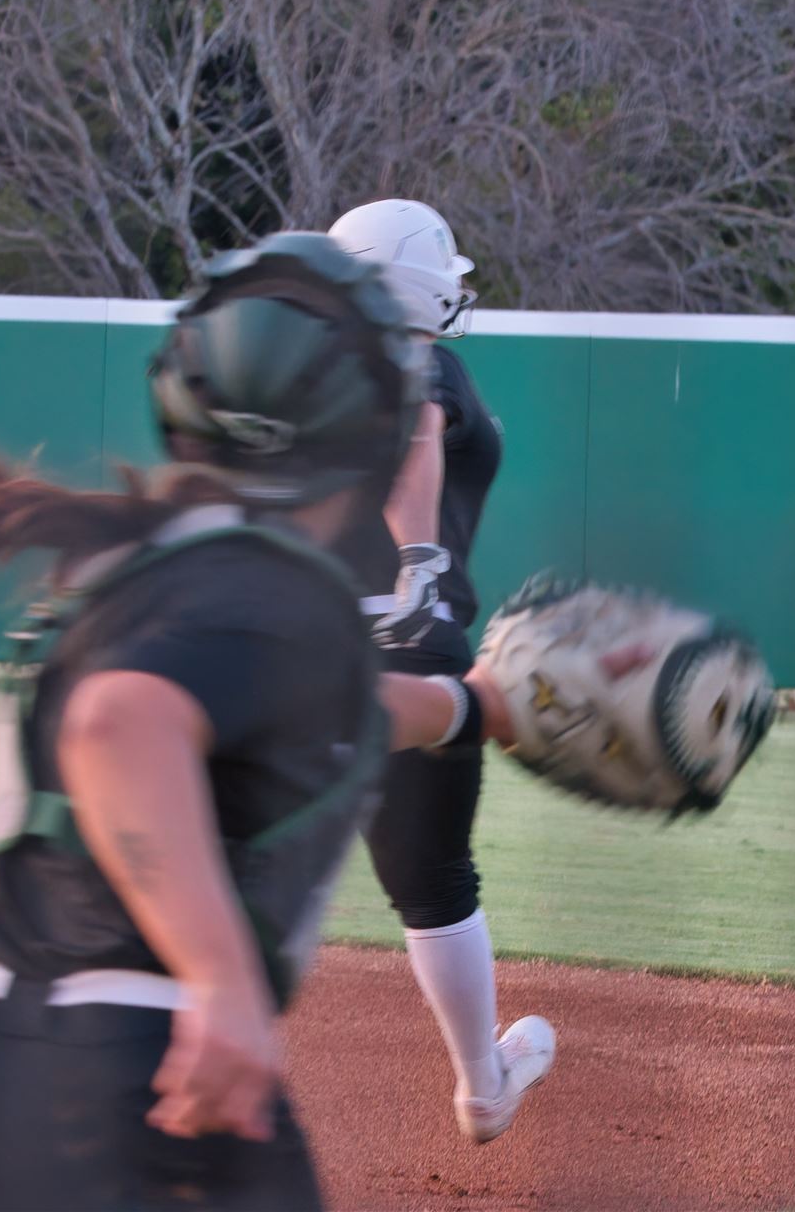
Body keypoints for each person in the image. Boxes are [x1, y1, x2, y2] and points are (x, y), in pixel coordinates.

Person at [0, 234, 538, 1212]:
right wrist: (221, 981)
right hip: (134, 1090)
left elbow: (323, 699)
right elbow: (119, 724)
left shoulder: (137, 558)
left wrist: (476, 705)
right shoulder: (281, 584)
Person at [328, 198, 553, 1143]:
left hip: (303, 648)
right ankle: (481, 1084)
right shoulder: (422, 363)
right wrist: (418, 557)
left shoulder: (309, 381)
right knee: (431, 885)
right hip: (412, 651)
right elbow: (415, 438)